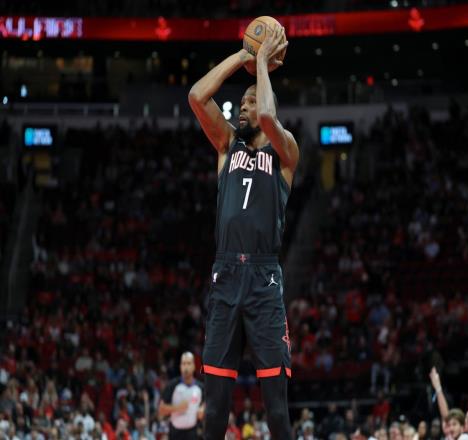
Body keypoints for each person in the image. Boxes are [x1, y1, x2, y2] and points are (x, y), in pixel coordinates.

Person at [188, 23, 298, 440]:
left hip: (264, 279)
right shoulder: (226, 145)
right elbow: (197, 96)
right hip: (226, 275)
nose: (245, 108)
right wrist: (243, 55)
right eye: (243, 102)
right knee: (216, 410)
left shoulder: (285, 150)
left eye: (251, 101)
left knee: (277, 412)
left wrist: (262, 65)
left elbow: (269, 116)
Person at [158, 352, 204, 440]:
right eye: (183, 363)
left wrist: (203, 409)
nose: (186, 367)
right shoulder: (172, 385)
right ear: (180, 366)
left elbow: (206, 404)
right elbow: (161, 411)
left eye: (189, 363)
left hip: (193, 432)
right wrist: (178, 408)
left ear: (194, 366)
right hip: (175, 433)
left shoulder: (200, 387)